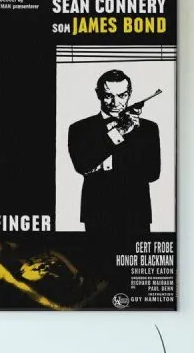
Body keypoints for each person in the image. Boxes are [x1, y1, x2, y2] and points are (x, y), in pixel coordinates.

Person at [67, 70, 161, 249]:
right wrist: (120, 133)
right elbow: (82, 165)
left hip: (136, 211)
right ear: (98, 94)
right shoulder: (80, 128)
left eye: (122, 95)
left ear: (130, 94)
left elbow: (152, 172)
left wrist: (102, 163)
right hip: (96, 211)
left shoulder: (148, 128)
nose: (115, 103)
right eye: (108, 96)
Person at [0, 242, 105, 309]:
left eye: (43, 271)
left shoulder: (3, 273)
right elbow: (51, 252)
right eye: (46, 264)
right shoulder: (7, 250)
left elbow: (28, 290)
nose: (41, 266)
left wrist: (57, 307)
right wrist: (75, 272)